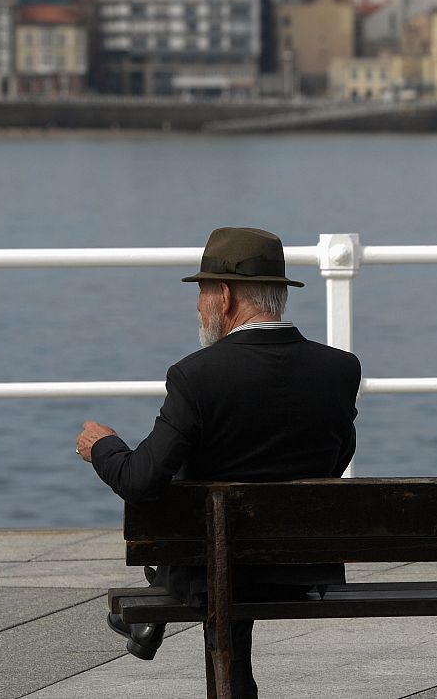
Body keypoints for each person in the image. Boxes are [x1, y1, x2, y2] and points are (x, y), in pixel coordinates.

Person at [76, 226, 360, 698]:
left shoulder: (196, 375)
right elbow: (338, 456)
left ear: (224, 296)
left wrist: (102, 445)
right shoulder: (340, 369)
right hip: (301, 568)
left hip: (212, 570)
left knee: (202, 515)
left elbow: (141, 481)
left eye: (202, 292)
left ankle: (160, 594)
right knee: (221, 512)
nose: (198, 306)